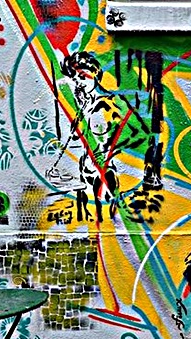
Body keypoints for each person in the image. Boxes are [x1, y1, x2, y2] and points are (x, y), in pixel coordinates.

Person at [60, 51, 151, 222]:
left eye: (82, 76)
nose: (78, 82)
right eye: (75, 79)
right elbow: (78, 136)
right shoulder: (84, 107)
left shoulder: (113, 102)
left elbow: (140, 133)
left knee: (108, 212)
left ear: (95, 72)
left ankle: (112, 210)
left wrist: (113, 149)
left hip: (106, 168)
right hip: (88, 168)